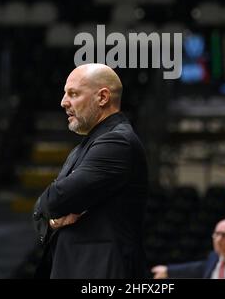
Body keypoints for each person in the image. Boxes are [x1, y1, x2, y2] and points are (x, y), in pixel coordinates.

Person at [33, 63, 148, 279]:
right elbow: (46, 208)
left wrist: (51, 209)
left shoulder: (117, 141)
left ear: (103, 97)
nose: (63, 102)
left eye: (73, 94)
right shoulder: (90, 144)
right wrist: (51, 220)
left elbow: (56, 199)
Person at [151, 218, 225, 279]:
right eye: (216, 234)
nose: (217, 239)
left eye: (224, 235)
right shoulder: (213, 258)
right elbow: (196, 268)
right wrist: (168, 271)